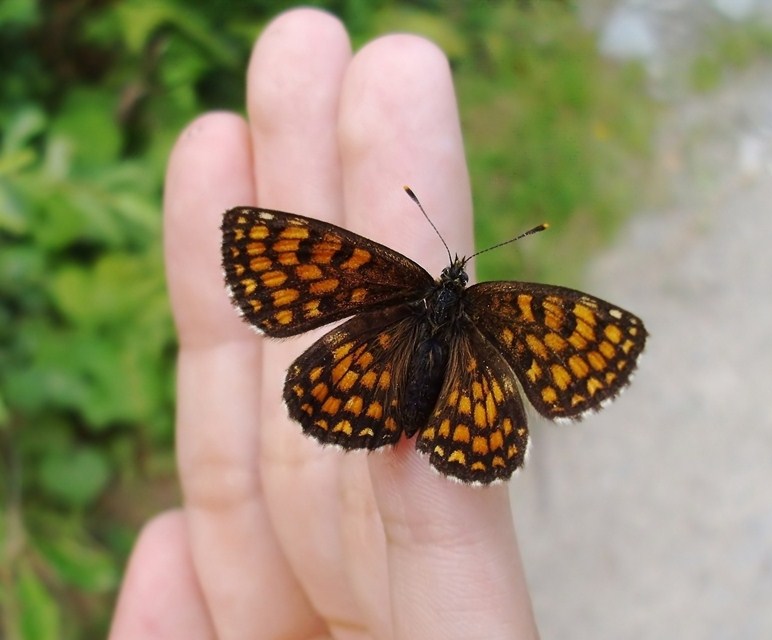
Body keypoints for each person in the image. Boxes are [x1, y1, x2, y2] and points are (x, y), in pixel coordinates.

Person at [109, 8, 538, 639]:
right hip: (417, 374)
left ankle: (392, 420)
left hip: (371, 364)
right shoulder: (497, 306)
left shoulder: (397, 278)